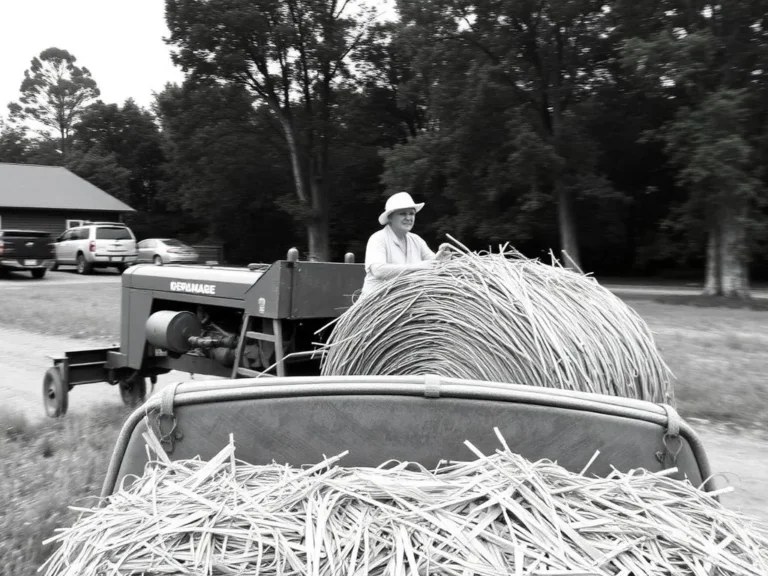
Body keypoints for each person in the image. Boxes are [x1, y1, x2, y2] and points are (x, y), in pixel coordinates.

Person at [361, 191, 447, 295]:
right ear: (390, 218)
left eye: (411, 214)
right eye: (403, 213)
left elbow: (432, 265)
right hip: (377, 303)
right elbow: (378, 271)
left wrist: (441, 261)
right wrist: (418, 267)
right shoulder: (378, 238)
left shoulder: (416, 240)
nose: (408, 218)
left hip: (407, 302)